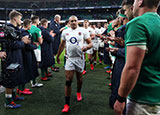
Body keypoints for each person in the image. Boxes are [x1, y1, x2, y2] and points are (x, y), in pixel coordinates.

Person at [114, 0, 160, 114]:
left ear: (140, 2)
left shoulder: (138, 23)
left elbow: (132, 68)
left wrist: (120, 99)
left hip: (142, 98)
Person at [56, 15, 92, 113]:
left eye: (75, 21)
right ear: (69, 22)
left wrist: (86, 48)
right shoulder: (65, 32)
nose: (73, 22)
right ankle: (66, 104)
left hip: (80, 59)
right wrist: (58, 55)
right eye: (71, 21)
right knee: (68, 80)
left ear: (78, 22)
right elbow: (62, 44)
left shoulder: (83, 31)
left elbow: (90, 43)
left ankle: (78, 92)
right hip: (70, 59)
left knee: (80, 79)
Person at [2, 10, 30, 108]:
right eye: (20, 18)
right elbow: (11, 44)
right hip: (10, 57)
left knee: (14, 76)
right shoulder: (8, 28)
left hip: (15, 55)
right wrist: (23, 42)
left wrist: (21, 41)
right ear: (15, 18)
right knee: (10, 77)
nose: (21, 21)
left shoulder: (13, 28)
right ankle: (8, 102)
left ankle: (13, 97)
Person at [29, 15, 43, 88]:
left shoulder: (28, 28)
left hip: (29, 48)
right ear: (37, 20)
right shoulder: (37, 29)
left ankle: (31, 80)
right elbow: (40, 42)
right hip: (36, 48)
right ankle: (34, 82)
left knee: (30, 64)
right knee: (35, 65)